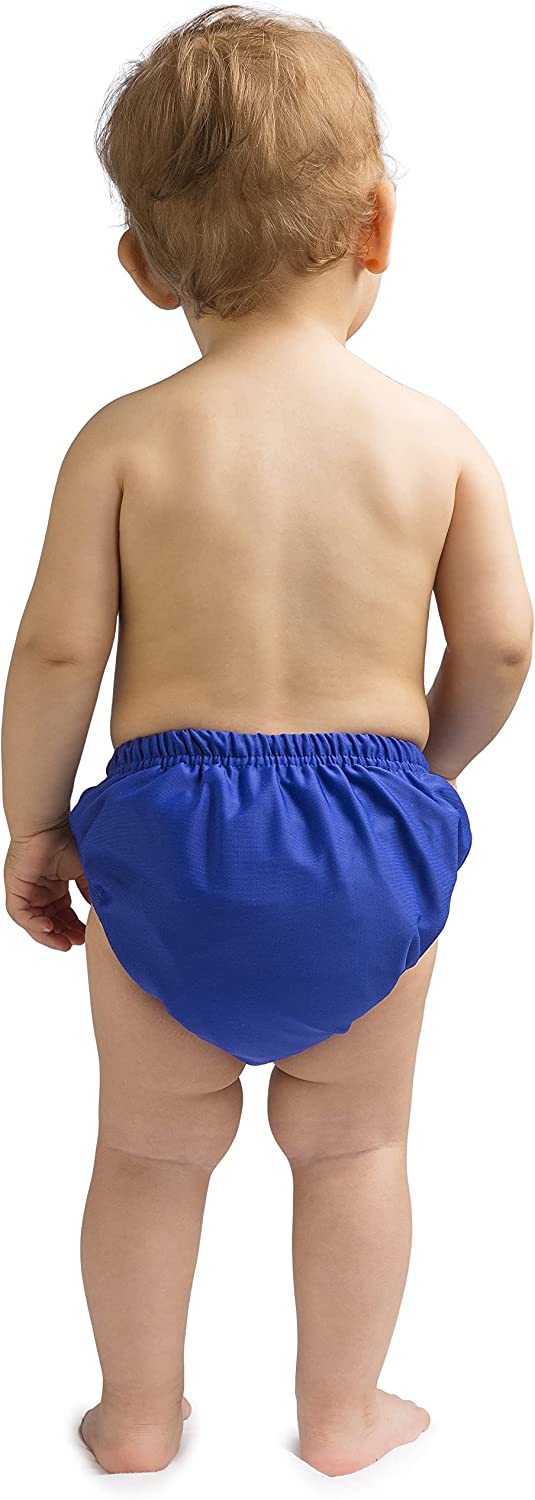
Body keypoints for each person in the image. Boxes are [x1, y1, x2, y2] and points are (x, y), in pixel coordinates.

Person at [2, 4, 532, 1480]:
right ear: (378, 227)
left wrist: (34, 823)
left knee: (149, 1148)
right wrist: (423, 782)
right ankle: (346, 1420)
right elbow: (501, 646)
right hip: (371, 838)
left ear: (142, 265)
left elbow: (57, 653)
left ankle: (136, 1421)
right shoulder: (433, 439)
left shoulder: (123, 440)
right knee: (355, 1146)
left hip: (169, 837)